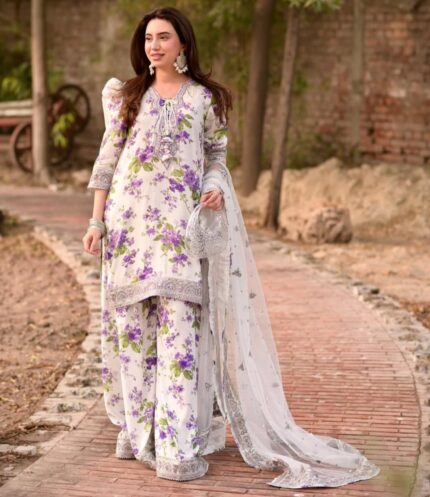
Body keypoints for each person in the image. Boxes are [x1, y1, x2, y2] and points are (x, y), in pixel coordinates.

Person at [82, 6, 381, 488]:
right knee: (134, 338)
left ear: (183, 43)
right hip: (128, 232)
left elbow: (216, 157)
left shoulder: (206, 99)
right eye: (149, 39)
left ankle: (177, 446)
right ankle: (142, 435)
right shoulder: (126, 97)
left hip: (181, 234)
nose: (154, 46)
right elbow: (107, 160)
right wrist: (96, 221)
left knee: (180, 339)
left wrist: (214, 186)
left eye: (163, 37)